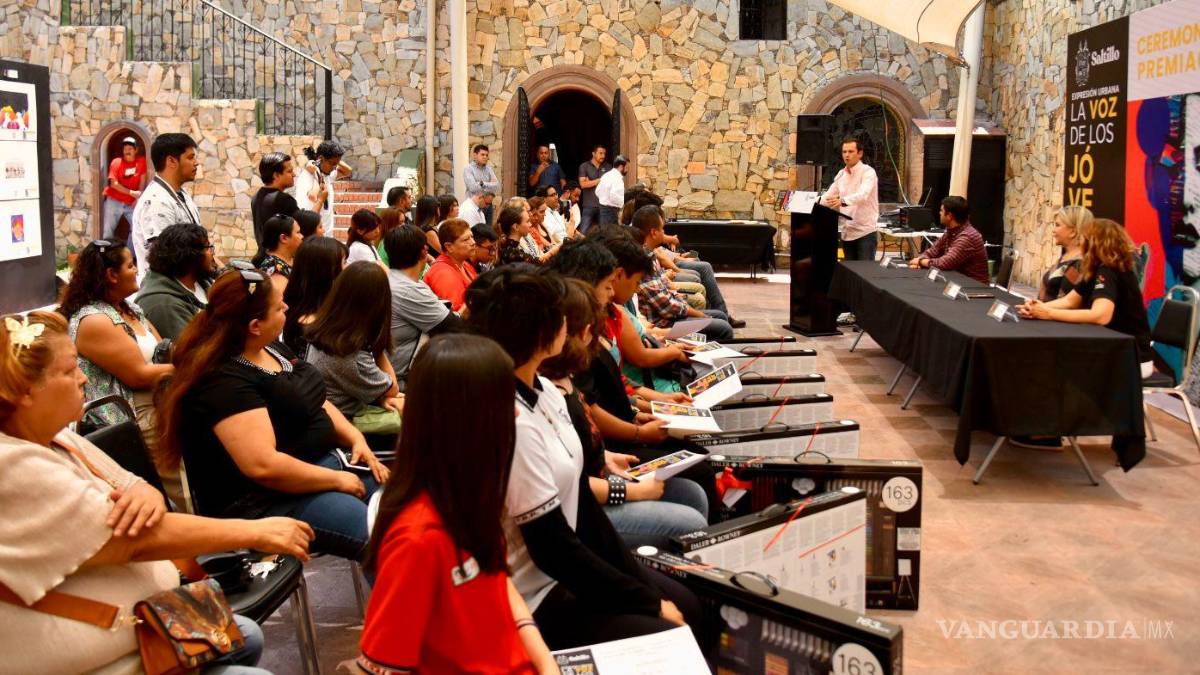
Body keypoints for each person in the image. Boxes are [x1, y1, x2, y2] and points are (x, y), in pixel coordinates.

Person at [0, 311, 315, 675]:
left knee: (249, 636)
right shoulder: (12, 468)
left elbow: (133, 484)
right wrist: (257, 531)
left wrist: (145, 495)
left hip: (149, 617)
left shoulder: (57, 436)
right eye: (70, 370)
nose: (83, 377)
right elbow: (134, 540)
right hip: (111, 654)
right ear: (26, 390)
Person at [464, 268, 701, 650]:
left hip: (565, 565)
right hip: (532, 596)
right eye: (558, 315)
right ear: (539, 332)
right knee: (669, 630)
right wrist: (645, 601)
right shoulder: (512, 420)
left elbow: (587, 515)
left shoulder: (546, 391)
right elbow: (552, 547)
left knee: (689, 602)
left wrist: (644, 588)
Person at [157, 269, 390, 561]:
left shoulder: (271, 348)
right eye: (280, 308)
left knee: (408, 512)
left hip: (322, 466)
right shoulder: (223, 381)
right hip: (268, 500)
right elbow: (263, 466)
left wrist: (356, 439)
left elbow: (317, 401)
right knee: (382, 537)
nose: (287, 308)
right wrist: (335, 479)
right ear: (255, 325)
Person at [360, 334, 556, 673]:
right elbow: (383, 663)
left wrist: (545, 661)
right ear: (466, 420)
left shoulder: (470, 494)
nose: (514, 412)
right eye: (502, 401)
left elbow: (499, 584)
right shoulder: (418, 539)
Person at [540, 277, 707, 548]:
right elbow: (569, 483)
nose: (610, 293)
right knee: (692, 516)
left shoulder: (559, 379)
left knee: (693, 492)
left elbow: (587, 435)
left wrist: (607, 456)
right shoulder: (543, 392)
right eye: (606, 284)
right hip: (579, 510)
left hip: (601, 470)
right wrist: (631, 490)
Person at [59, 240, 173, 434]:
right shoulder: (93, 320)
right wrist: (192, 367)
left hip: (158, 401)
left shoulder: (131, 308)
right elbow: (139, 376)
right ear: (112, 275)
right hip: (129, 417)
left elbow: (165, 350)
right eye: (130, 265)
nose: (136, 270)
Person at [1019, 218, 1154, 379]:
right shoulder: (1096, 268)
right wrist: (1038, 307)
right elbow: (1070, 301)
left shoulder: (1109, 270)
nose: (1080, 243)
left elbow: (1101, 315)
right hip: (1114, 349)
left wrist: (1048, 313)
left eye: (1083, 239)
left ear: (1094, 242)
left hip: (1130, 358)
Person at [305, 262, 404, 428]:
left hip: (330, 414)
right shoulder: (350, 356)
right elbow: (392, 388)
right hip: (342, 424)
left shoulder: (327, 331)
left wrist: (382, 396)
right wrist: (378, 344)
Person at [599, 232, 692, 393]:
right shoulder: (612, 313)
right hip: (654, 383)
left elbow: (624, 384)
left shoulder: (615, 309)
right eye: (608, 285)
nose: (636, 288)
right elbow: (640, 358)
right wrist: (674, 352)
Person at [631, 206, 734, 340]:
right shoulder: (642, 261)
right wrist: (698, 315)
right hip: (664, 324)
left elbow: (667, 289)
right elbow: (667, 306)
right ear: (654, 232)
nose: (664, 233)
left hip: (670, 315)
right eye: (662, 229)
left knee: (720, 316)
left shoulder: (651, 255)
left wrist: (686, 305)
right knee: (723, 327)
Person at [384, 225, 467, 389]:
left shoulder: (395, 279)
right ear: (424, 251)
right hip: (402, 381)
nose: (472, 243)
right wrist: (470, 302)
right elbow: (454, 326)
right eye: (466, 239)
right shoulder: (408, 289)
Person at [132, 133, 201, 281]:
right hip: (167, 289)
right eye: (190, 158)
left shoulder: (181, 194)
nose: (196, 163)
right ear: (171, 161)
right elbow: (166, 259)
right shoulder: (156, 202)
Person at [136, 221, 216, 340]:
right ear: (191, 256)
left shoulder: (201, 281)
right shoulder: (163, 305)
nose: (212, 253)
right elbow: (191, 349)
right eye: (208, 247)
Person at [283, 236, 347, 358]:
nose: (347, 267)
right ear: (327, 272)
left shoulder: (306, 305)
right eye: (344, 262)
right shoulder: (310, 323)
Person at [821, 137, 879, 262]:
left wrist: (842, 201)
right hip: (847, 232)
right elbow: (828, 197)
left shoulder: (868, 172)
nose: (847, 155)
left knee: (864, 271)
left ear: (860, 153)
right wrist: (807, 201)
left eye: (851, 151)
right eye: (844, 152)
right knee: (850, 271)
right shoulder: (841, 174)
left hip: (865, 232)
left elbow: (863, 194)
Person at [909, 195, 990, 285]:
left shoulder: (967, 237)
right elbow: (933, 251)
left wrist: (920, 261)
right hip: (957, 282)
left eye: (941, 211)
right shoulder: (951, 231)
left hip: (974, 287)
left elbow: (945, 263)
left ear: (949, 216)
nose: (939, 213)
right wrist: (919, 259)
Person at [423, 219, 478, 312]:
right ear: (449, 247)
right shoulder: (442, 273)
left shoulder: (463, 263)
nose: (473, 242)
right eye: (466, 240)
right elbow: (456, 314)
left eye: (472, 237)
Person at [295, 140, 350, 234]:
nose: (334, 167)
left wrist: (336, 161)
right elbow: (313, 196)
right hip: (311, 233)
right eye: (332, 163)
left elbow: (348, 171)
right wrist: (316, 172)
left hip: (326, 232)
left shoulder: (327, 175)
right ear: (321, 158)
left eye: (336, 164)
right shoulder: (308, 174)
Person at [101, 136, 147, 244]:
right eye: (125, 149)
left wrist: (138, 198)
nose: (127, 151)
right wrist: (132, 193)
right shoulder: (116, 162)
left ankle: (130, 253)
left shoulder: (141, 161)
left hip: (131, 203)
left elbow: (143, 181)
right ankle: (107, 253)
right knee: (108, 230)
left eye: (130, 148)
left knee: (137, 229)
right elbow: (114, 184)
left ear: (136, 150)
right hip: (114, 201)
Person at [1039, 205, 1089, 302]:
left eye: (1057, 225)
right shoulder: (1066, 258)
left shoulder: (1079, 264)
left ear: (1073, 232)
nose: (1053, 230)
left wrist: (1038, 307)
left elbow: (1065, 303)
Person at [251, 151, 298, 246]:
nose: (294, 174)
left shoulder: (256, 197)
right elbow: (305, 228)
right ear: (276, 175)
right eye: (289, 171)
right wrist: (320, 200)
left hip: (263, 254)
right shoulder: (284, 200)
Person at [250, 213, 303, 281]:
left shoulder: (295, 258)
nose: (302, 236)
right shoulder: (271, 268)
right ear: (283, 238)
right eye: (298, 232)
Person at [464, 144, 500, 223]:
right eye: (482, 154)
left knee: (488, 229)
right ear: (475, 155)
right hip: (474, 206)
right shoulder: (468, 169)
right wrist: (489, 185)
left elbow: (496, 186)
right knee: (475, 228)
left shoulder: (488, 169)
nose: (485, 157)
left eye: (486, 155)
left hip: (488, 206)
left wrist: (482, 183)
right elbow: (472, 187)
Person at [577, 145, 607, 233]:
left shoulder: (608, 167)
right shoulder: (584, 166)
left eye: (604, 153)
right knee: (583, 231)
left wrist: (590, 182)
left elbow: (609, 184)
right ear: (593, 154)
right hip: (589, 205)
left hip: (603, 205)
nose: (603, 156)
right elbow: (583, 184)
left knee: (604, 232)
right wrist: (599, 180)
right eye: (600, 153)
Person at [595, 155, 629, 226]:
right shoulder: (617, 178)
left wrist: (604, 200)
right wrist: (623, 204)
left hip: (603, 210)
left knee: (604, 231)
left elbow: (597, 191)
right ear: (621, 167)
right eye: (627, 167)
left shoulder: (606, 175)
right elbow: (614, 195)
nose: (627, 170)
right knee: (611, 232)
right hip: (611, 212)